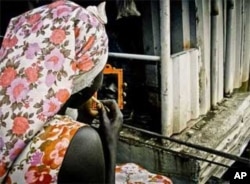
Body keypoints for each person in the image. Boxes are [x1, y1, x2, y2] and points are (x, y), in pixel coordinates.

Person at [0, 0, 122, 183]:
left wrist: (82, 120)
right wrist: (110, 145)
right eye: (100, 70)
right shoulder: (83, 143)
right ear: (82, 83)